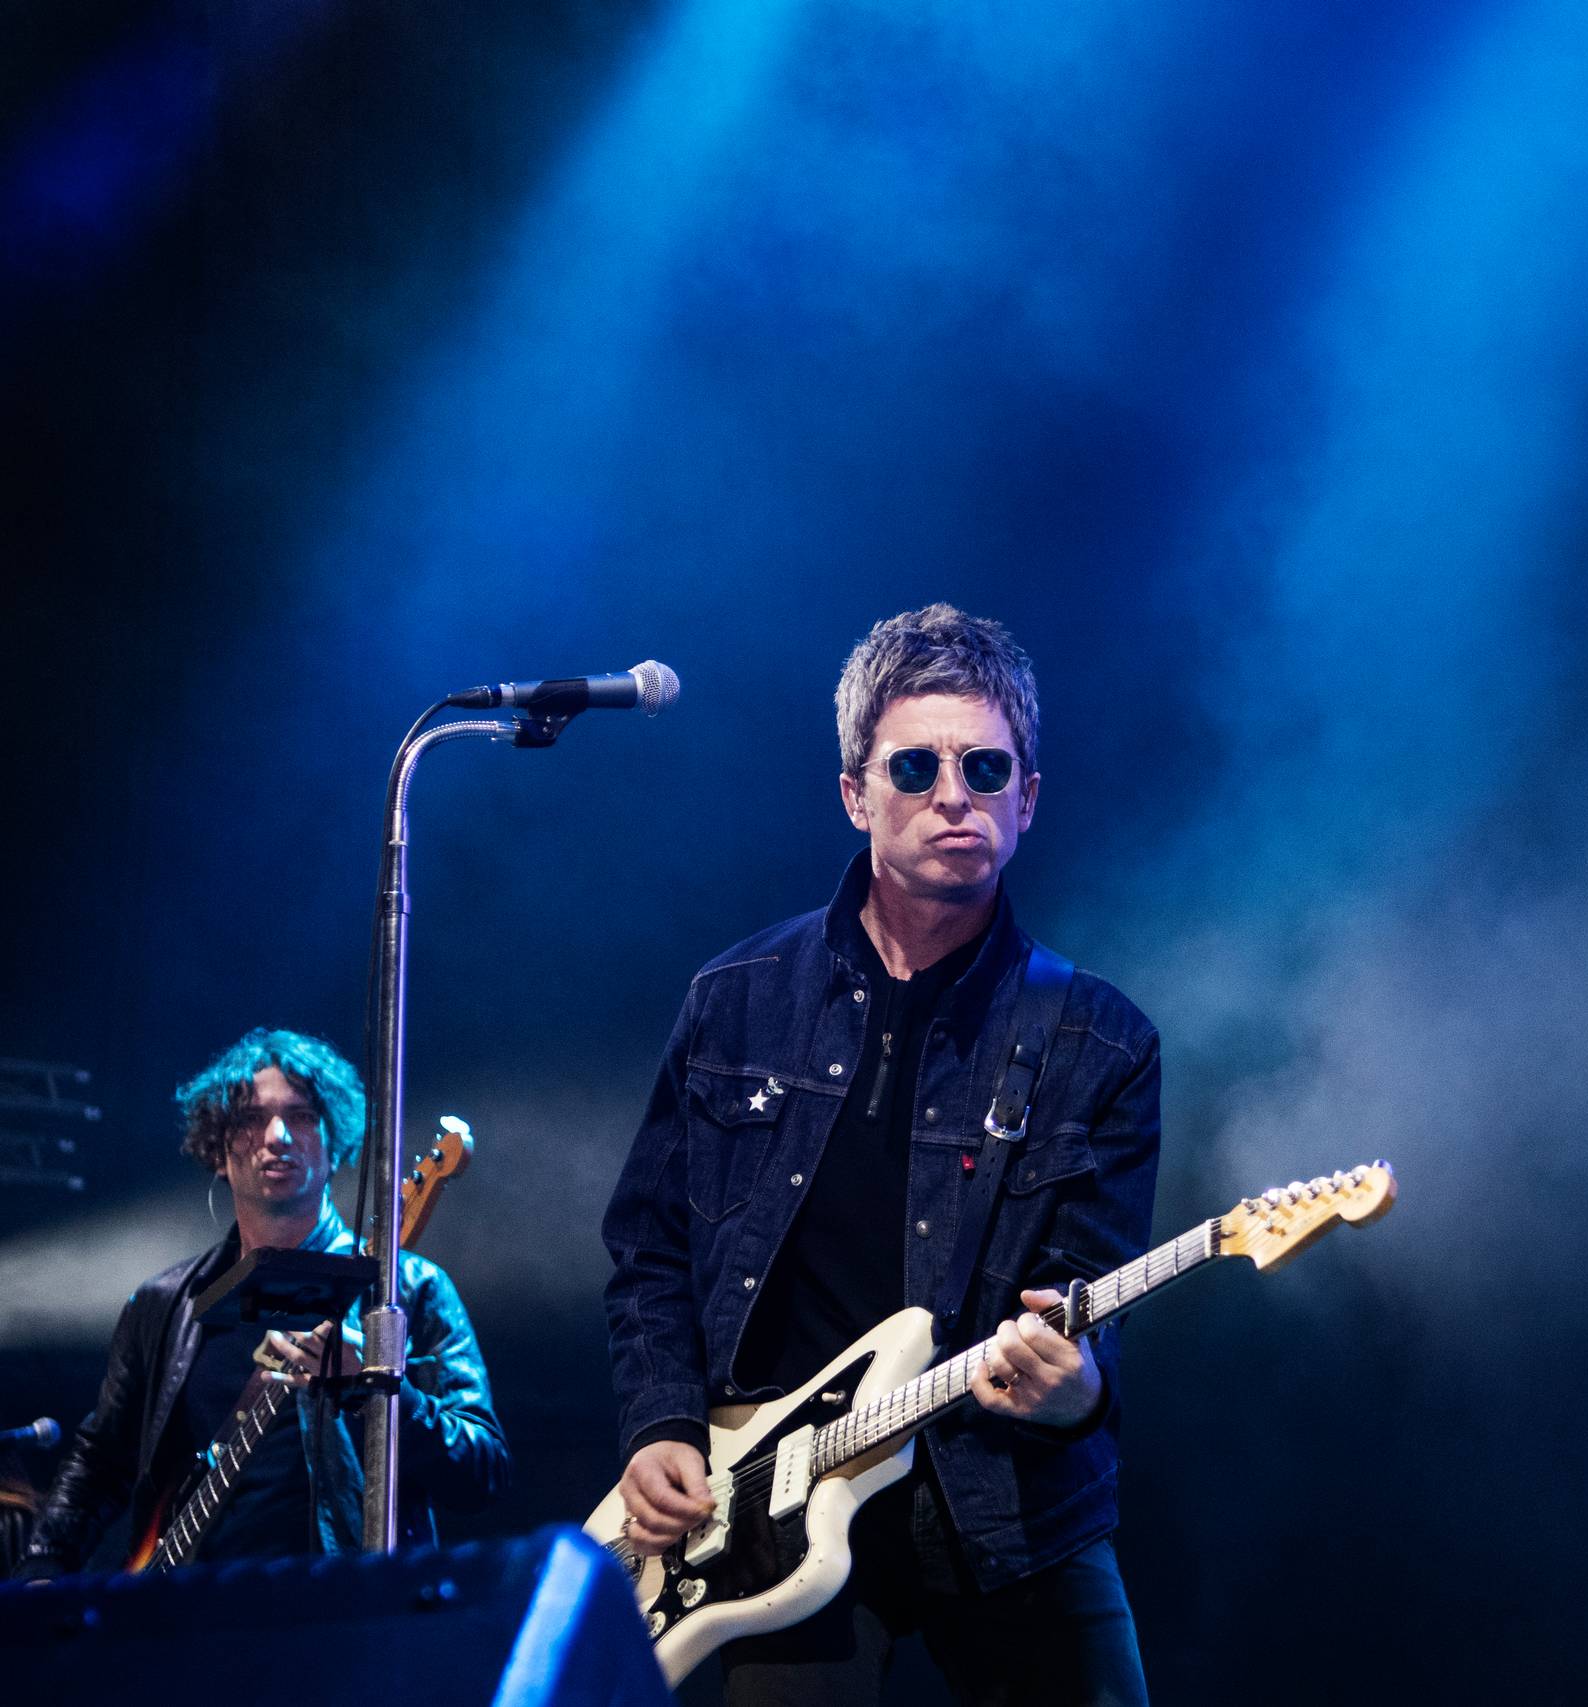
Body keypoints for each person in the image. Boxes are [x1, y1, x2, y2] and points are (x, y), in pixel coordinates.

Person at [602, 603, 1160, 1706]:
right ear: (857, 794)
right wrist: (662, 1424)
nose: (954, 795)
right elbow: (651, 1248)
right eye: (916, 766)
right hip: (768, 1502)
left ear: (1027, 798)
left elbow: (1092, 1298)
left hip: (1005, 1509)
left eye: (986, 766)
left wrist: (1076, 1391)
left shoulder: (1100, 1040)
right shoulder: (736, 1001)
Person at [15, 1028, 508, 1577]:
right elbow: (102, 1461)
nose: (277, 1136)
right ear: (218, 1150)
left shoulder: (409, 1288)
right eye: (251, 1119)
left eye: (301, 1116)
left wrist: (379, 1391)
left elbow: (481, 1469)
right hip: (184, 1624)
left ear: (335, 1140)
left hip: (339, 1618)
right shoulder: (165, 1304)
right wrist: (43, 1567)